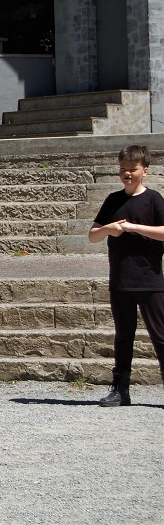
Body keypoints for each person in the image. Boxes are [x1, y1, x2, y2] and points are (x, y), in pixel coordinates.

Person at [89, 145, 164, 406]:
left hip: (150, 279)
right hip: (121, 278)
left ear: (144, 170)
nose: (127, 174)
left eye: (132, 169)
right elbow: (93, 235)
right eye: (123, 169)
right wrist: (109, 228)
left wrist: (133, 227)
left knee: (160, 335)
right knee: (123, 335)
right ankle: (120, 390)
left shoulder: (154, 199)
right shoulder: (113, 200)